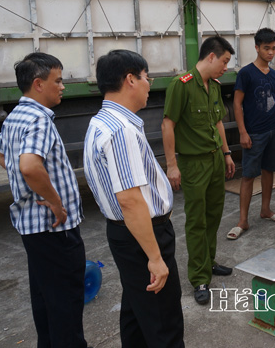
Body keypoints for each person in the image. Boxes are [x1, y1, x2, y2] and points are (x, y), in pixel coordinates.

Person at [84, 50, 184, 346]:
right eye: (146, 77)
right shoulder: (120, 131)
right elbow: (129, 200)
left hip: (126, 233)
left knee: (138, 314)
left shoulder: (101, 122)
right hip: (143, 234)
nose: (149, 84)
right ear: (130, 79)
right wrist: (155, 257)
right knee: (163, 322)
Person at [0, 53, 88, 348]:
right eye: (57, 81)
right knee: (66, 305)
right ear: (38, 84)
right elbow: (30, 165)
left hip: (32, 228)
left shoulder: (15, 117)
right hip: (54, 227)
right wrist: (55, 202)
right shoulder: (38, 119)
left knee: (46, 300)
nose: (62, 87)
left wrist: (23, 184)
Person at [162, 36, 236, 305]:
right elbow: (168, 124)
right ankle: (199, 277)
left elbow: (218, 122)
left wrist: (227, 153)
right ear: (211, 57)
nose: (226, 67)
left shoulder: (213, 86)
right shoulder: (181, 85)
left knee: (214, 214)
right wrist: (172, 165)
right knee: (196, 220)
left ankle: (209, 261)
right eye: (225, 61)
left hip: (216, 159)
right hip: (193, 163)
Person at [229, 28, 275, 240]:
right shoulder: (246, 73)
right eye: (266, 48)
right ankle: (242, 221)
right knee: (248, 175)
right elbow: (237, 104)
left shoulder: (274, 75)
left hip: (273, 129)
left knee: (269, 170)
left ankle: (266, 210)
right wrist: (243, 132)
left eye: (273, 48)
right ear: (256, 48)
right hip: (254, 133)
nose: (271, 52)